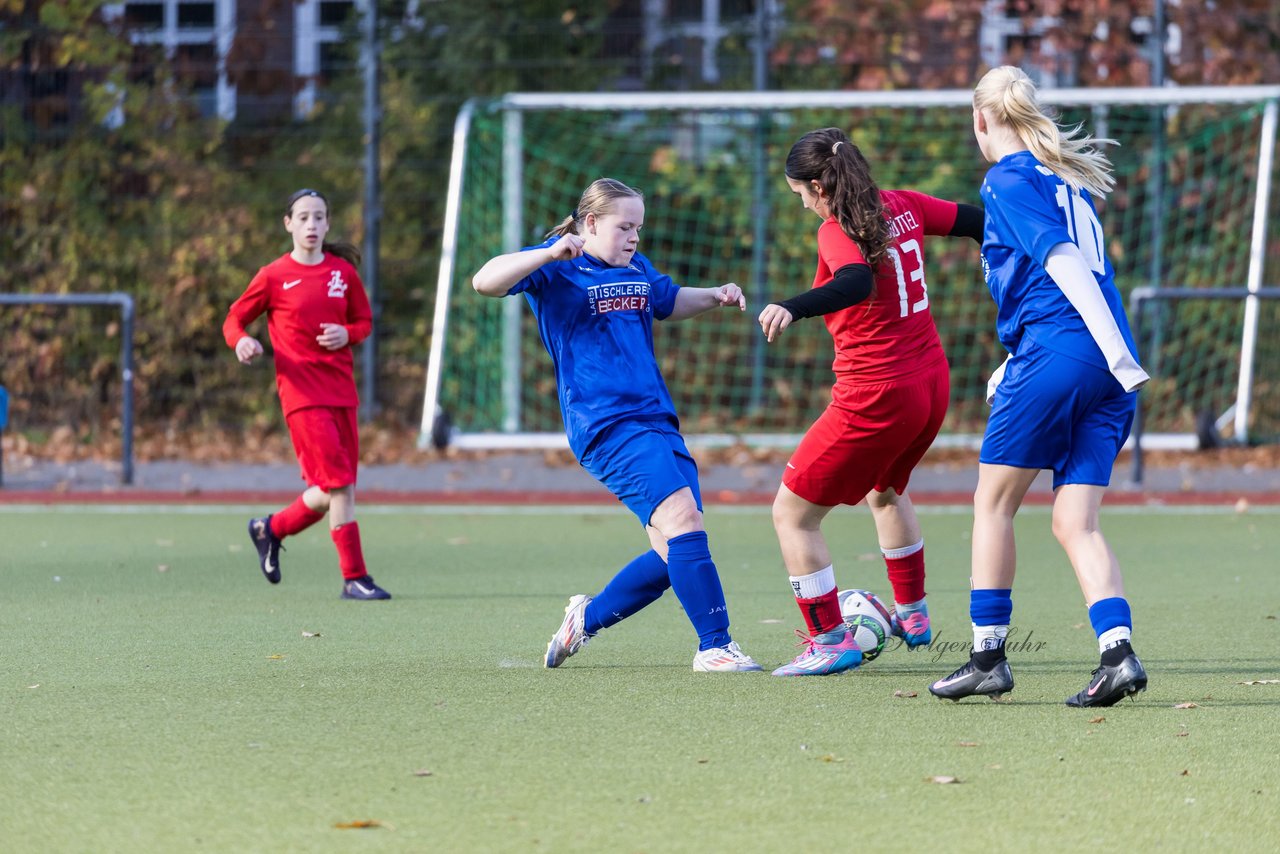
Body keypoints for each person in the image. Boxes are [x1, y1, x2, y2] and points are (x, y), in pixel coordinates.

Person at [472, 177, 762, 673]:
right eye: (624, 226)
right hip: (605, 424)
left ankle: (584, 619)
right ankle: (715, 646)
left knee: (676, 551)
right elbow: (485, 280)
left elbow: (668, 302)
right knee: (684, 523)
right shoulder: (556, 268)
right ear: (589, 224)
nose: (633, 237)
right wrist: (546, 255)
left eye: (639, 228)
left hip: (657, 420)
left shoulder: (637, 268)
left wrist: (714, 295)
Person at [928, 66, 1150, 706]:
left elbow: (1062, 265)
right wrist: (1112, 355)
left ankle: (987, 657)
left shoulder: (1007, 177)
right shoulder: (1066, 183)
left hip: (1072, 349)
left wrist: (1102, 348)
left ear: (980, 120)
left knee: (993, 503)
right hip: (1097, 362)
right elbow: (1053, 284)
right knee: (1075, 520)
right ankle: (1118, 654)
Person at [757, 128, 983, 677]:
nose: (804, 204)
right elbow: (977, 220)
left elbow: (856, 282)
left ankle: (830, 639)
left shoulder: (837, 230)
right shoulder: (902, 205)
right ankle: (913, 616)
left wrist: (793, 305)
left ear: (818, 186)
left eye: (800, 194)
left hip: (876, 395)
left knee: (792, 514)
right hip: (930, 384)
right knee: (885, 491)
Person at [222, 188, 391, 601]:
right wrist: (241, 341)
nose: (311, 225)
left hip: (341, 393)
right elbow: (234, 319)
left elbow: (364, 322)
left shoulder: (341, 274)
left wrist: (345, 333)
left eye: (319, 217)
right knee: (340, 487)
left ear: (328, 223)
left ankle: (270, 528)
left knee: (333, 489)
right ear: (288, 224)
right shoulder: (273, 275)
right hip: (301, 395)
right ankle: (354, 577)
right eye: (303, 218)